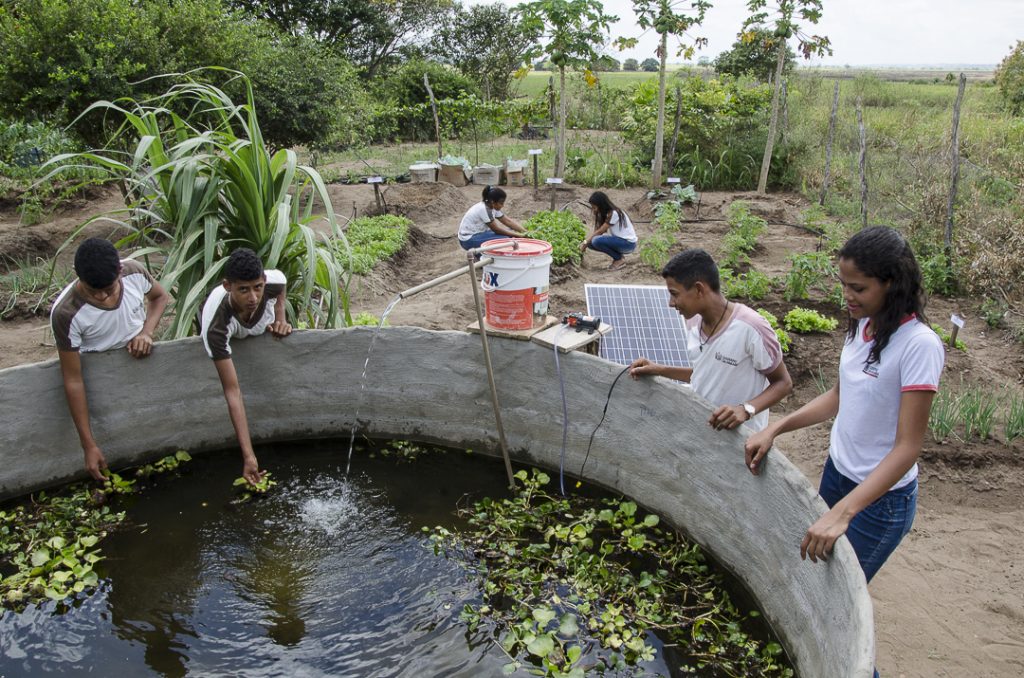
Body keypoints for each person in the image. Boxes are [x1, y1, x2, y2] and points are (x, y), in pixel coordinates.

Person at [744, 226, 945, 584]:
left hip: (879, 501)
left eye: (858, 288)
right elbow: (839, 396)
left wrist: (844, 512)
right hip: (838, 474)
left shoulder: (919, 345)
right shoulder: (863, 325)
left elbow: (908, 448)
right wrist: (775, 427)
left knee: (834, 589)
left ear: (892, 283)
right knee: (811, 575)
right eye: (843, 284)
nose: (847, 296)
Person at [629, 248, 792, 432]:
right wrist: (660, 370)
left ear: (699, 289)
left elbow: (783, 383)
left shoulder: (752, 328)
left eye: (675, 294)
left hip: (740, 438)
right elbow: (707, 374)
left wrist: (745, 409)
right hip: (704, 429)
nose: (671, 303)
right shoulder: (693, 322)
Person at [51, 237, 170, 480]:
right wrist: (88, 445)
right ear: (78, 277)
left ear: (119, 271)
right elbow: (73, 379)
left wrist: (146, 332)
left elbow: (159, 297)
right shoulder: (66, 313)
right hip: (102, 377)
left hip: (139, 360)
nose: (104, 297)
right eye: (95, 292)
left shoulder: (134, 271)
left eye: (110, 288)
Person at [200, 248, 292, 485]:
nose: (253, 297)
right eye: (243, 289)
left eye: (257, 287)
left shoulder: (271, 283)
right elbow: (233, 391)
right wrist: (249, 455)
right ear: (228, 286)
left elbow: (280, 284)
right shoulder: (216, 326)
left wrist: (280, 318)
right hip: (234, 329)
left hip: (258, 324)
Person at [580, 191, 638, 270]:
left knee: (595, 240)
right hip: (621, 242)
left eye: (594, 207)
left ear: (601, 205)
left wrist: (585, 243)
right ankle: (618, 257)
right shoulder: (607, 213)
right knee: (591, 242)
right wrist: (586, 242)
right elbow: (598, 231)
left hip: (628, 244)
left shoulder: (614, 213)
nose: (593, 209)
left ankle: (619, 259)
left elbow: (600, 232)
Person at [457, 186, 525, 251]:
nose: (503, 205)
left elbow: (507, 221)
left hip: (478, 234)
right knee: (506, 241)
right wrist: (519, 236)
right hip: (468, 239)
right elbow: (496, 229)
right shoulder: (484, 209)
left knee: (508, 237)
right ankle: (480, 256)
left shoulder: (492, 207)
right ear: (493, 202)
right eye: (501, 203)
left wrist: (526, 232)